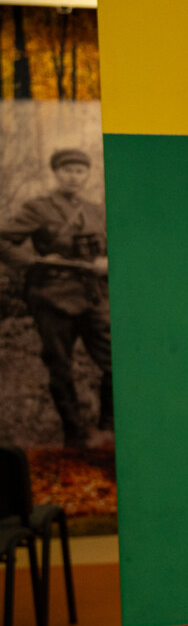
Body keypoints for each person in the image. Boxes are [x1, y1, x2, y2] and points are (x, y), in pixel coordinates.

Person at [0, 148, 114, 448]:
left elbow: (118, 244)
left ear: (87, 174)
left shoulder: (97, 211)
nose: (73, 177)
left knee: (115, 361)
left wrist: (108, 261)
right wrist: (34, 262)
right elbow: (4, 240)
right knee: (60, 367)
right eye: (67, 170)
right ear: (56, 173)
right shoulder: (39, 209)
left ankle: (108, 429)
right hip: (53, 298)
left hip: (93, 297)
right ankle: (75, 435)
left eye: (79, 171)